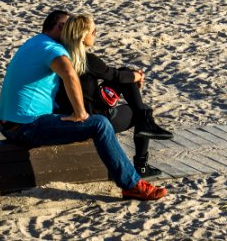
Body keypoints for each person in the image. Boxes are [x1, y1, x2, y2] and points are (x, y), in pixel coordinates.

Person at [0, 10, 167, 200]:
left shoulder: (34, 43)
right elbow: (69, 74)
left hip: (12, 122)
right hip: (27, 126)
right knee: (100, 124)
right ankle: (132, 185)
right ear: (62, 28)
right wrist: (80, 113)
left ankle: (133, 173)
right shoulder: (53, 49)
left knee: (99, 122)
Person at [54, 13, 173, 178]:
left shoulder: (60, 57)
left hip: (72, 112)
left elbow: (115, 75)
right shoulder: (88, 60)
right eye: (93, 31)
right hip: (95, 119)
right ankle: (141, 164)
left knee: (125, 74)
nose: (96, 34)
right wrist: (137, 76)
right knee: (141, 108)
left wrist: (130, 75)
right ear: (82, 37)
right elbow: (115, 76)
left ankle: (145, 120)